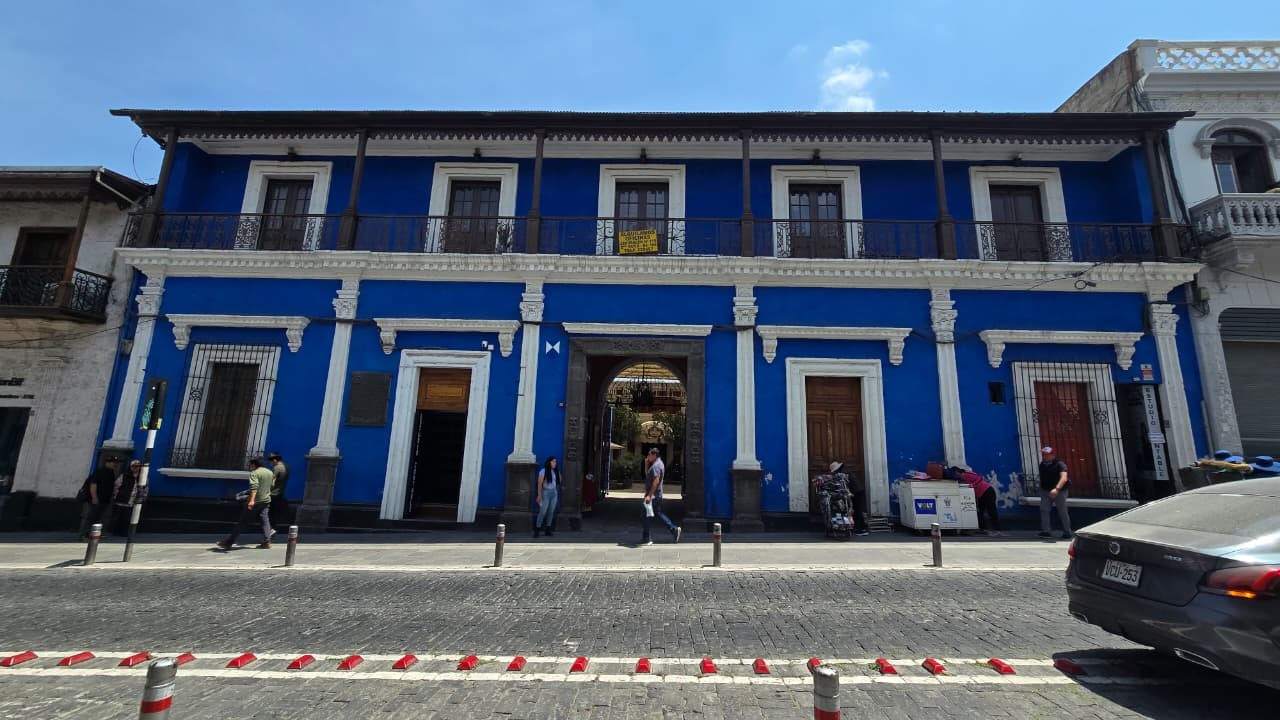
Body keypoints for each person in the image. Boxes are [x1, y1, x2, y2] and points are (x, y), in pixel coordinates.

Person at [215, 457, 274, 550]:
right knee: (265, 521)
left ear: (254, 464)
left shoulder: (255, 473)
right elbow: (272, 485)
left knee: (242, 522)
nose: (250, 467)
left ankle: (228, 542)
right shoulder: (270, 472)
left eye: (251, 465)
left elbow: (254, 487)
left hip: (256, 501)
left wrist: (251, 500)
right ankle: (267, 542)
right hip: (266, 501)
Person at [640, 448, 680, 546]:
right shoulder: (658, 464)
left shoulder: (656, 466)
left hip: (653, 495)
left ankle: (646, 538)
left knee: (646, 516)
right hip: (656, 494)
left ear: (654, 455)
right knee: (657, 513)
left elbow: (656, 481)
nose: (648, 456)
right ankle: (673, 529)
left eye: (649, 454)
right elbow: (648, 475)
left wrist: (649, 495)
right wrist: (646, 465)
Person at [77, 456, 118, 540]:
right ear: (107, 463)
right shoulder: (99, 472)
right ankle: (83, 535)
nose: (115, 464)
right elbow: (93, 484)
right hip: (95, 500)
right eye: (113, 462)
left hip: (104, 500)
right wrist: (94, 497)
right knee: (90, 517)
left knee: (98, 518)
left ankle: (93, 534)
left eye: (115, 462)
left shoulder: (111, 473)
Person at [1037, 446, 1072, 539]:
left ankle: (1067, 531)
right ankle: (1046, 531)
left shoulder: (1060, 464)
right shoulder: (1042, 465)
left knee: (1062, 511)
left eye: (1047, 454)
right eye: (1043, 454)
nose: (1044, 456)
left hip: (1060, 491)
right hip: (1045, 490)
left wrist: (1057, 489)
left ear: (1052, 455)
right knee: (1044, 509)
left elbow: (1064, 478)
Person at [828, 461, 869, 536]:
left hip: (856, 492)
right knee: (856, 510)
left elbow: (845, 485)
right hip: (857, 491)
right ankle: (859, 527)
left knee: (857, 510)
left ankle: (862, 529)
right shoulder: (845, 471)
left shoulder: (843, 473)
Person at [105, 459, 144, 536]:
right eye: (133, 466)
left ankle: (125, 532)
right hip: (121, 500)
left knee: (127, 518)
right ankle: (115, 532)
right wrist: (117, 495)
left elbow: (145, 489)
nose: (135, 468)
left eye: (137, 466)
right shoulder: (124, 475)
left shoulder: (142, 477)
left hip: (133, 501)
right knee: (118, 517)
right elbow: (116, 485)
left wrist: (142, 498)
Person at [957, 467, 1001, 537]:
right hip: (983, 493)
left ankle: (997, 529)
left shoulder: (965, 476)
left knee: (991, 511)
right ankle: (983, 528)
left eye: (956, 474)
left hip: (986, 492)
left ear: (958, 472)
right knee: (980, 511)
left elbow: (967, 485)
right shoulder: (969, 474)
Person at [534, 456, 560, 538]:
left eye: (555, 462)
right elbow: (539, 484)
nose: (555, 463)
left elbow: (559, 481)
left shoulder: (555, 471)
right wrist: (539, 495)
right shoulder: (543, 471)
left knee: (551, 511)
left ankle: (548, 529)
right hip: (545, 492)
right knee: (543, 511)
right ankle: (537, 529)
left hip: (554, 493)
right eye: (553, 462)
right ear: (549, 462)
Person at [268, 452, 290, 528]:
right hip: (280, 492)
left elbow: (271, 482)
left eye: (270, 460)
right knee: (275, 512)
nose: (270, 462)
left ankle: (270, 530)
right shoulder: (287, 466)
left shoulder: (277, 468)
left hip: (272, 494)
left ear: (274, 460)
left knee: (269, 514)